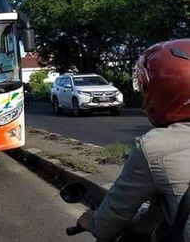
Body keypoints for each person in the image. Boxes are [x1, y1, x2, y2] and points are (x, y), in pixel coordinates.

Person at [76, 39, 190, 241]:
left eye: (146, 89)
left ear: (167, 89)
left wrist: (93, 222)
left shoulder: (155, 147)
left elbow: (114, 215)